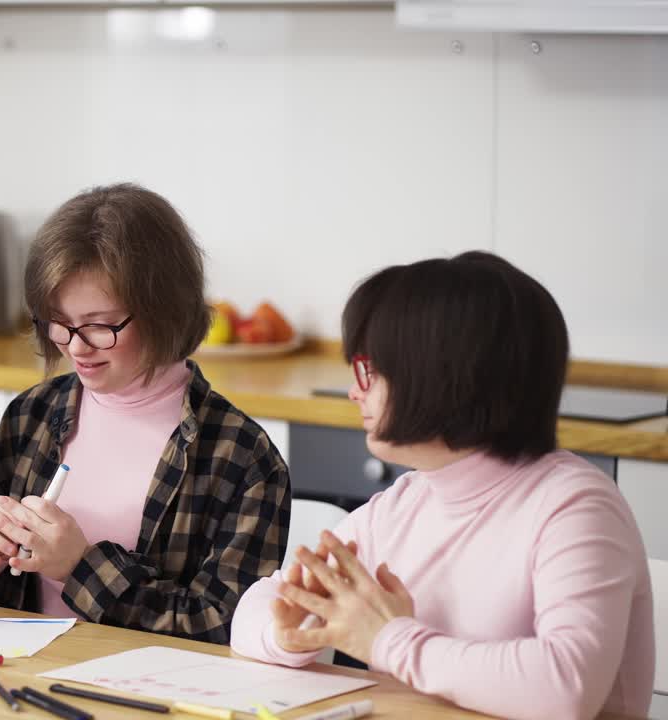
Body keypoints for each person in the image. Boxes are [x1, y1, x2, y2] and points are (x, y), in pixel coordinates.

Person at [229, 251, 654, 719]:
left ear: (437, 376)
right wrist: (284, 634)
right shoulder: (407, 502)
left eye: (369, 369)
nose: (355, 391)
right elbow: (256, 606)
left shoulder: (575, 506)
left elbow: (566, 686)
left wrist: (389, 640)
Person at [0, 183, 290, 644]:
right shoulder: (32, 415)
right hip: (22, 679)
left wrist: (80, 568)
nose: (76, 347)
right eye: (60, 323)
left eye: (101, 325)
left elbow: (223, 626)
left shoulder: (243, 458)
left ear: (165, 310)